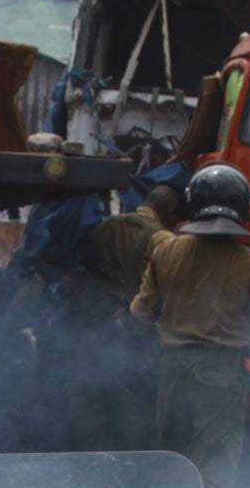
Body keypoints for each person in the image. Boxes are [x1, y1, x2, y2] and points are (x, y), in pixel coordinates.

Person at [131, 164, 250, 488]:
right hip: (220, 377)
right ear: (241, 208)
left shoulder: (166, 251)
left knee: (173, 468)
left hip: (172, 371)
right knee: (212, 475)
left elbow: (141, 311)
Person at [63, 183, 183, 451]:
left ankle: (89, 462)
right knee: (132, 406)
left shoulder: (105, 226)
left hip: (89, 323)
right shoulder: (163, 240)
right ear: (170, 211)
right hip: (131, 330)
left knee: (89, 398)